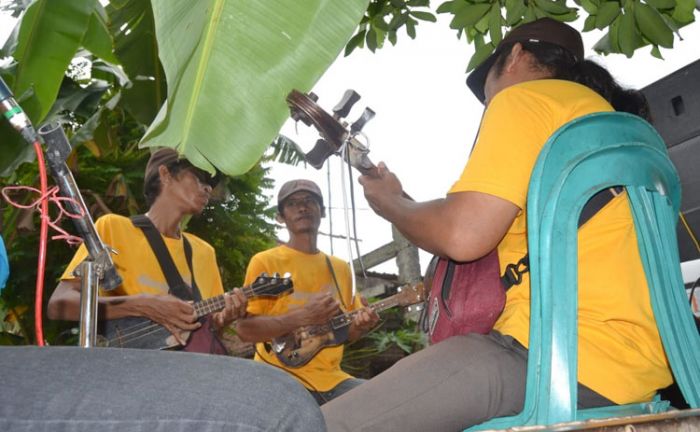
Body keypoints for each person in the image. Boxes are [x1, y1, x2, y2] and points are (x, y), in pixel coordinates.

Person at [321, 18, 672, 431]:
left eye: (485, 89)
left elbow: (462, 235)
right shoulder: (610, 125)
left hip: (559, 359)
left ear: (517, 56)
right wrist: (403, 200)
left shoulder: (527, 99)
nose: (488, 105)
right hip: (643, 369)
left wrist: (391, 206)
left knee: (310, 424)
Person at [48, 148, 247, 352]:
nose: (207, 188)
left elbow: (205, 332)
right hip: (122, 368)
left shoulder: (204, 252)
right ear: (165, 174)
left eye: (210, 184)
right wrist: (142, 304)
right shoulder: (113, 228)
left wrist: (222, 320)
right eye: (200, 177)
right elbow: (59, 304)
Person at [235, 179, 380, 405]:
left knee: (380, 402)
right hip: (277, 378)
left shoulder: (341, 268)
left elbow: (344, 334)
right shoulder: (265, 261)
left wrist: (360, 325)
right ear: (280, 217)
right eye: (293, 203)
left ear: (322, 212)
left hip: (332, 380)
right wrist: (303, 316)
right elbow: (245, 330)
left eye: (310, 201)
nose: (303, 207)